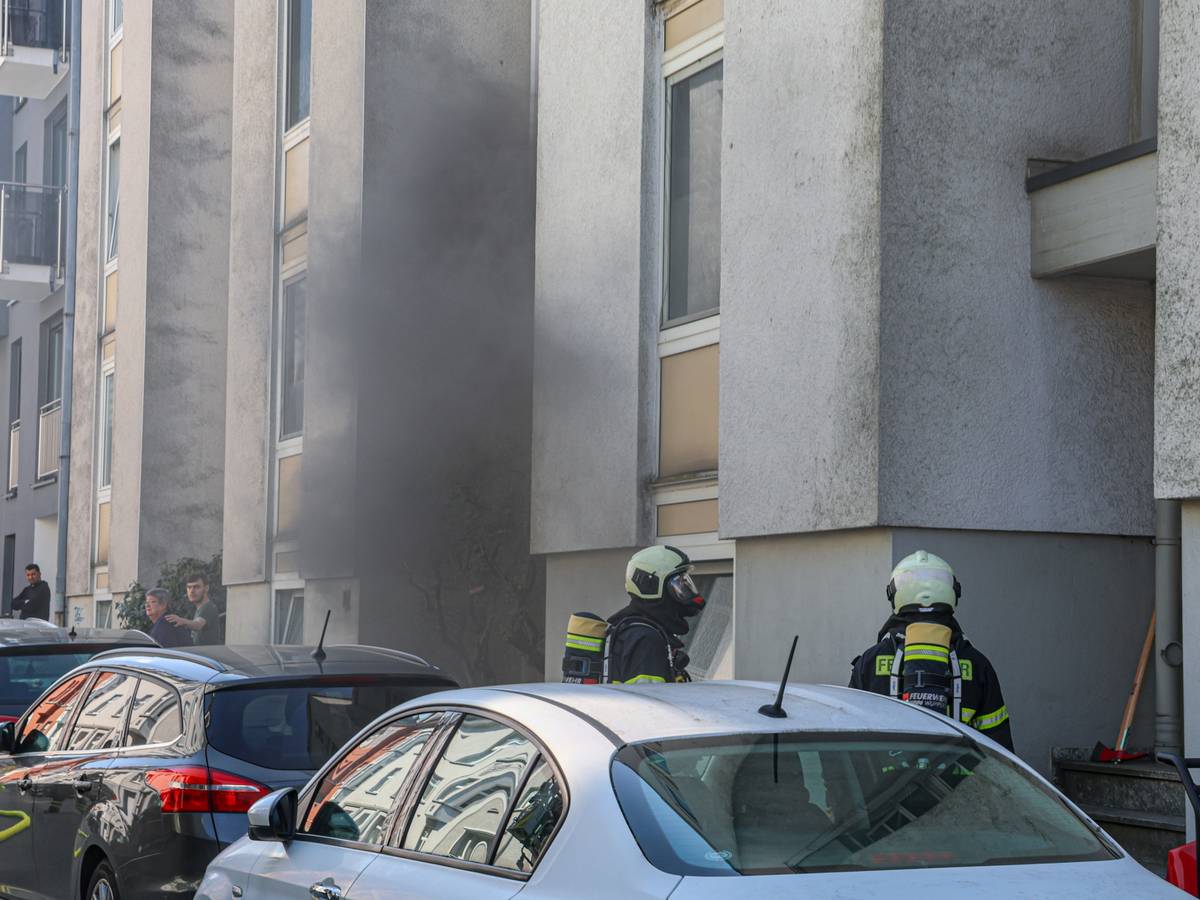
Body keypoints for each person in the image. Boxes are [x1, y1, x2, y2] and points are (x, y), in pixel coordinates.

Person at [849, 550, 1014, 752]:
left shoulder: (870, 662)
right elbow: (999, 746)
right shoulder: (977, 663)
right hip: (957, 782)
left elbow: (850, 739)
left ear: (895, 595)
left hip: (888, 782)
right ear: (953, 592)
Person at [606, 545, 706, 684]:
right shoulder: (645, 639)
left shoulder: (639, 631)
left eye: (685, 581)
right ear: (652, 585)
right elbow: (648, 702)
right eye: (679, 583)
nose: (685, 589)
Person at [165, 572, 221, 645]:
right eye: (189, 587)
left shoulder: (208, 607)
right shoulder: (200, 609)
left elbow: (198, 625)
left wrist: (182, 621)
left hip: (207, 655)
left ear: (206, 588)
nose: (192, 591)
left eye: (196, 587)